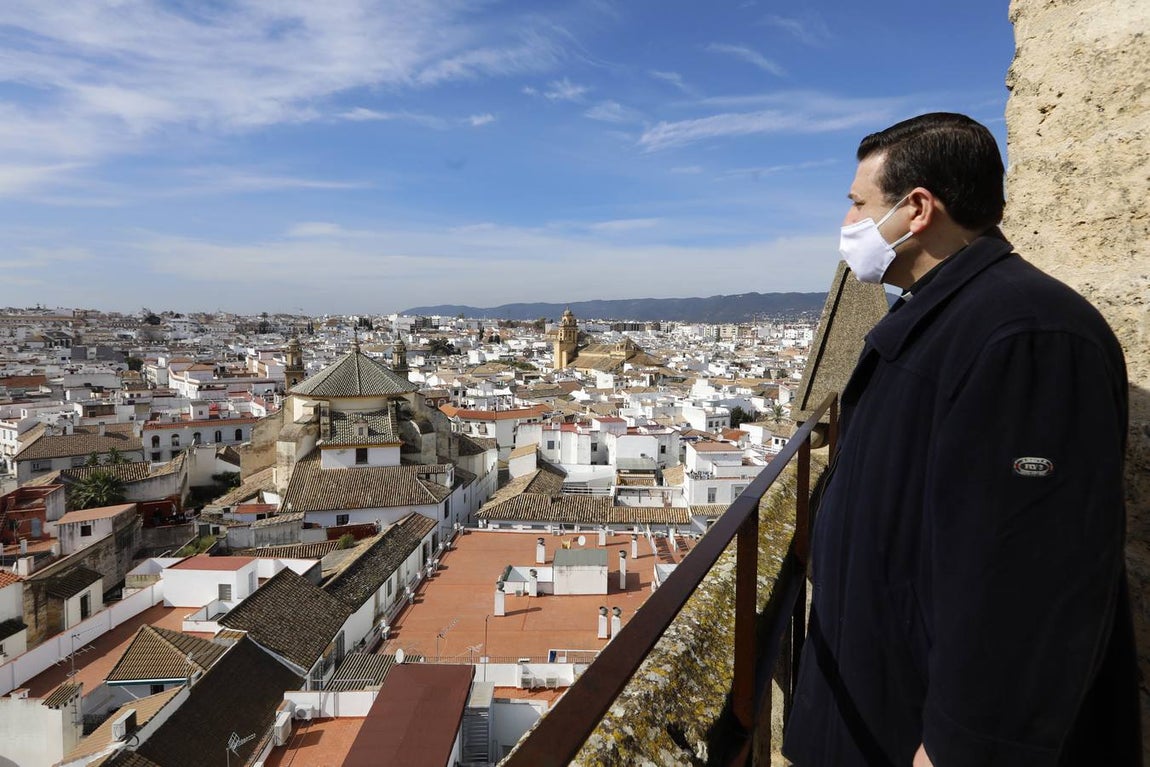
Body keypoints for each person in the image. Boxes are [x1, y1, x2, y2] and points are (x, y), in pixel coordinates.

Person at [782, 113, 1140, 766]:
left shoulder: (1028, 336)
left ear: (917, 208)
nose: (848, 226)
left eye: (858, 205)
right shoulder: (952, 316)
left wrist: (961, 748)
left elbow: (1030, 579)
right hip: (881, 711)